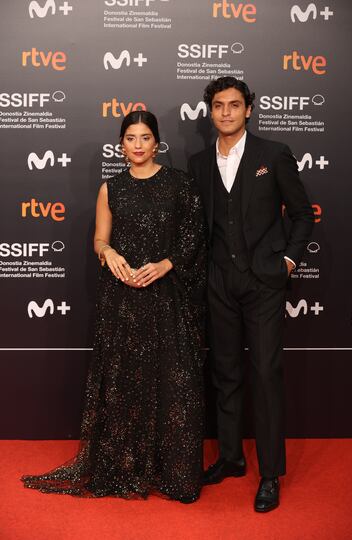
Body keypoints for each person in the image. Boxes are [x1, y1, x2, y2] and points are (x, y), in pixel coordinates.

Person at [21, 111, 207, 504]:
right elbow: (99, 240)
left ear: (157, 143)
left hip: (168, 297)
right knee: (125, 384)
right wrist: (110, 254)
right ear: (120, 145)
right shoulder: (111, 188)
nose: (137, 145)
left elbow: (194, 237)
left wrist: (165, 264)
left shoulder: (180, 185)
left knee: (175, 384)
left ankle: (173, 473)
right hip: (122, 299)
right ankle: (123, 467)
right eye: (130, 138)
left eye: (144, 138)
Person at [188, 77, 314, 512]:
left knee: (264, 375)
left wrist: (288, 261)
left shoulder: (273, 154)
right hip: (218, 282)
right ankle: (230, 457)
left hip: (263, 282)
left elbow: (302, 215)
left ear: (248, 110)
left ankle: (271, 474)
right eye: (218, 106)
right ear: (211, 112)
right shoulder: (198, 163)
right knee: (225, 375)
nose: (225, 112)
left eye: (234, 105)